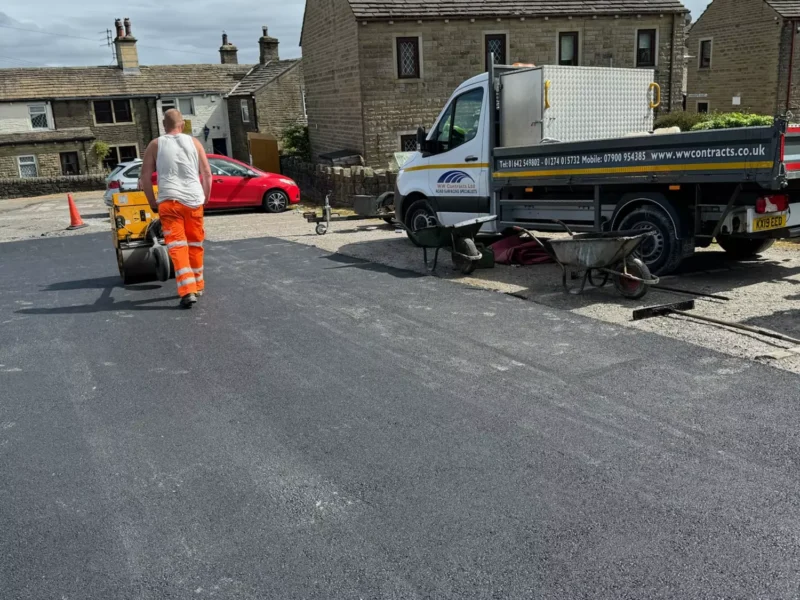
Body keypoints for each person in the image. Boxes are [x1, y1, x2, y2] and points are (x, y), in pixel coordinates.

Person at [140, 109, 212, 309]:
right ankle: (197, 284)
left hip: (169, 202)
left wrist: (151, 202)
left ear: (164, 125)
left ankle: (187, 291)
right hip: (193, 201)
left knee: (178, 246)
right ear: (182, 124)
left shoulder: (155, 145)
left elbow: (145, 177)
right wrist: (206, 197)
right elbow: (207, 174)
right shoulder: (195, 143)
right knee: (195, 244)